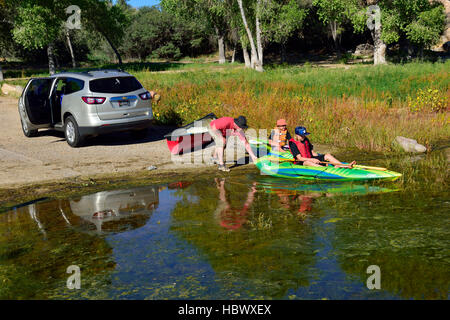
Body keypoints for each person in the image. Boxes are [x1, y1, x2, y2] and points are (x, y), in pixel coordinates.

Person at [289, 126, 356, 168]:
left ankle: (345, 166)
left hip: (310, 158)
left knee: (327, 155)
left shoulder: (305, 140)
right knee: (307, 162)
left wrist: (320, 159)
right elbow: (299, 158)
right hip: (301, 163)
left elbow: (312, 152)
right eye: (302, 135)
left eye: (304, 135)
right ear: (297, 135)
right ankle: (326, 169)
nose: (303, 137)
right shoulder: (293, 143)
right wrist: (313, 160)